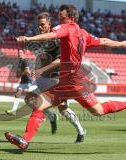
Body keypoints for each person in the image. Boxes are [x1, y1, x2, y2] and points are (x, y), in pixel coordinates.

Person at [5, 4, 126, 150]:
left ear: (71, 18)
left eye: (62, 17)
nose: (59, 21)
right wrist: (121, 43)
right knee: (39, 106)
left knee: (98, 111)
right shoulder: (84, 34)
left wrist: (29, 38)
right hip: (64, 81)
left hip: (75, 82)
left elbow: (52, 35)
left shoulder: (67, 28)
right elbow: (103, 41)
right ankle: (24, 140)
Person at [24, 12, 85, 143]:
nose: (40, 27)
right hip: (42, 79)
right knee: (29, 99)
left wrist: (41, 70)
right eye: (38, 25)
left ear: (49, 24)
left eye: (42, 24)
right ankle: (51, 116)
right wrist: (31, 68)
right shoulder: (40, 39)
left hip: (56, 79)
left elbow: (60, 60)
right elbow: (42, 57)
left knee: (63, 109)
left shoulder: (56, 40)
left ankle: (80, 130)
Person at [5, 49, 37, 116]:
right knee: (17, 94)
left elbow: (27, 70)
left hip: (28, 81)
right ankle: (14, 111)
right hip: (23, 81)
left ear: (24, 53)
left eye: (21, 52)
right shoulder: (20, 61)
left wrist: (21, 74)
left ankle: (41, 112)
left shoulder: (25, 60)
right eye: (18, 52)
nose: (19, 54)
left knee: (31, 98)